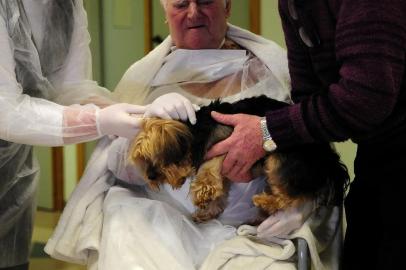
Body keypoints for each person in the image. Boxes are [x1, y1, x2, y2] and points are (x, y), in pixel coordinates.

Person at [45, 1, 341, 269]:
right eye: (181, 4)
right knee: (123, 225)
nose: (193, 13)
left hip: (257, 231)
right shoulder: (142, 78)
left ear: (227, 7)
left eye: (206, 1)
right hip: (161, 223)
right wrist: (143, 127)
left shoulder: (275, 67)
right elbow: (115, 168)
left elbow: (313, 150)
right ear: (165, 14)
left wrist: (304, 204)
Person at [205, 0, 406, 269]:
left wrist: (266, 131)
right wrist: (301, 188)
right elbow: (306, 95)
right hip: (376, 150)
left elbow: (365, 98)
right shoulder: (293, 5)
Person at [0, 1, 147, 269]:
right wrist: (99, 120)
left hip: (13, 175)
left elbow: (70, 88)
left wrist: (130, 113)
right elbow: (4, 111)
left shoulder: (67, 6)